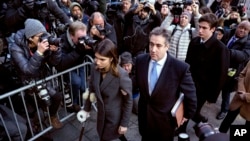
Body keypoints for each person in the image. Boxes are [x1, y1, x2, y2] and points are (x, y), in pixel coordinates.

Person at [135, 27, 197, 141]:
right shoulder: (140, 60)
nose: (153, 49)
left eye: (158, 46)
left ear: (167, 46)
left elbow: (191, 96)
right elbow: (136, 83)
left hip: (164, 124)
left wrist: (186, 115)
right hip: (144, 119)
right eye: (151, 44)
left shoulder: (180, 68)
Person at [9, 19, 63, 129]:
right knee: (36, 106)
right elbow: (27, 70)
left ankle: (51, 116)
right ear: (30, 38)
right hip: (28, 82)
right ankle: (36, 126)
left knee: (57, 97)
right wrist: (39, 53)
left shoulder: (42, 42)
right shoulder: (16, 48)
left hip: (42, 77)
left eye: (44, 35)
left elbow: (53, 63)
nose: (44, 38)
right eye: (40, 36)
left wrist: (55, 52)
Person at [185, 13, 230, 127]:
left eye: (204, 28)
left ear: (213, 29)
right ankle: (191, 124)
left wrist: (212, 96)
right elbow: (187, 63)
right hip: (189, 83)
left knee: (192, 109)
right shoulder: (194, 42)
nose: (200, 30)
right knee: (185, 107)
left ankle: (196, 124)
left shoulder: (221, 49)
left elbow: (221, 75)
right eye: (199, 26)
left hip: (204, 89)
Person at [83, 39, 133, 141]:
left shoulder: (121, 75)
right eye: (96, 58)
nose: (98, 62)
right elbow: (91, 87)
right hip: (101, 115)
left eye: (102, 59)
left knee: (108, 137)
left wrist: (124, 124)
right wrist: (86, 109)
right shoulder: (94, 67)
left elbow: (128, 101)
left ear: (111, 58)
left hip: (114, 118)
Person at [216, 20, 250, 120]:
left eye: (245, 29)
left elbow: (244, 56)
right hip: (219, 65)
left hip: (232, 70)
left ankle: (224, 110)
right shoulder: (229, 33)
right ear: (237, 27)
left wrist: (227, 52)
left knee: (226, 91)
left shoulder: (248, 42)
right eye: (241, 27)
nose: (242, 30)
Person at [55, 21, 90, 112]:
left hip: (79, 64)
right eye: (80, 38)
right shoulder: (61, 42)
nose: (83, 40)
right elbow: (61, 63)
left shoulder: (82, 38)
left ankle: (79, 103)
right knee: (76, 82)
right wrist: (78, 50)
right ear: (71, 36)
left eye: (84, 37)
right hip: (67, 67)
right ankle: (72, 104)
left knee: (83, 86)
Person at [219, 59, 250, 133]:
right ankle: (220, 135)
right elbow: (242, 74)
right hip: (239, 98)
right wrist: (241, 91)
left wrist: (246, 96)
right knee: (228, 120)